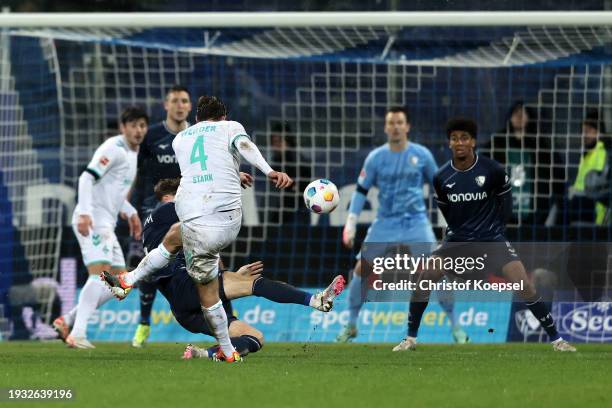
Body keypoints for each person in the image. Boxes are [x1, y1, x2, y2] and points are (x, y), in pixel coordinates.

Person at [106, 96, 292, 363]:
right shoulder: (230, 128)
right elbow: (244, 145)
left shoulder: (181, 139)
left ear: (196, 119)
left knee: (176, 241)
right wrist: (269, 170)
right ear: (224, 117)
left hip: (198, 217)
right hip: (223, 220)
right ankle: (227, 351)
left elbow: (194, 175)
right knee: (204, 284)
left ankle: (130, 280)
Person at [100, 178, 345, 360]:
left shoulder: (164, 224)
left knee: (254, 338)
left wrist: (230, 278)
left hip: (186, 312)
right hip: (185, 287)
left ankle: (202, 355)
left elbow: (211, 259)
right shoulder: (168, 209)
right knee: (253, 284)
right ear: (174, 196)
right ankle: (315, 300)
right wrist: (229, 180)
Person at [393, 117, 576, 352]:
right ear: (449, 143)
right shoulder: (441, 177)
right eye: (454, 138)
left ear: (473, 142)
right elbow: (447, 211)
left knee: (525, 286)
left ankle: (557, 340)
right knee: (424, 279)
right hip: (457, 242)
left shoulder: (492, 170)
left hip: (492, 241)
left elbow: (505, 203)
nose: (459, 142)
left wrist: (496, 229)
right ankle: (410, 338)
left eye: (464, 138)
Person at [337, 106, 467, 344]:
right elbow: (360, 192)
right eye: (391, 123)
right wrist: (351, 223)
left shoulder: (422, 155)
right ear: (386, 128)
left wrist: (455, 219)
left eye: (399, 122)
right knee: (360, 270)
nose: (395, 127)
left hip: (416, 222)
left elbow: (440, 188)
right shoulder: (376, 158)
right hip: (385, 223)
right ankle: (351, 324)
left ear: (407, 127)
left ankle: (456, 326)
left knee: (436, 271)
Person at [53, 107, 149, 349]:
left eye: (142, 125)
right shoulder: (113, 149)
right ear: (123, 127)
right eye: (133, 125)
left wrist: (131, 213)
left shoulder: (133, 153)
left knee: (120, 284)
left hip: (107, 221)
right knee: (99, 275)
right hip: (94, 220)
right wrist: (85, 212)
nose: (138, 130)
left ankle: (67, 321)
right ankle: (79, 333)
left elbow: (113, 193)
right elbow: (86, 178)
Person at [129, 85, 192, 348]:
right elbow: (135, 172)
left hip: (189, 208)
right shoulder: (151, 136)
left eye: (185, 101)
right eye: (175, 100)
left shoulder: (195, 136)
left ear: (190, 107)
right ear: (166, 105)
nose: (180, 105)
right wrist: (133, 209)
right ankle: (144, 322)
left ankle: (225, 318)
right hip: (152, 209)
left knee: (207, 260)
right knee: (152, 265)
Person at [485, 101, 564, 225]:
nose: (519, 116)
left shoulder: (542, 145)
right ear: (509, 118)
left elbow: (557, 174)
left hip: (535, 214)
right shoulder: (497, 143)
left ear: (530, 118)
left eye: (523, 113)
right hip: (502, 215)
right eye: (516, 113)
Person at [569, 113, 610, 225]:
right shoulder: (586, 155)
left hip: (594, 216)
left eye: (589, 130)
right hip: (580, 211)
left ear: (598, 131)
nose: (585, 134)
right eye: (583, 131)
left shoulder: (603, 152)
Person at [268, 122, 311, 224]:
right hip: (283, 211)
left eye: (278, 141)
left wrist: (293, 185)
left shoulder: (296, 160)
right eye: (273, 142)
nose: (275, 145)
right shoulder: (277, 160)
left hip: (297, 213)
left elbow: (300, 186)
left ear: (287, 141)